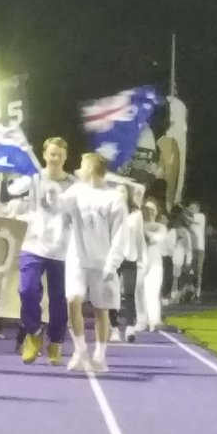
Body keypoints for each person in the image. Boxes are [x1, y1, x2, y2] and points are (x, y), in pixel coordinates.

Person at [7, 136, 76, 364]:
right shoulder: (34, 178)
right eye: (52, 154)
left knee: (59, 300)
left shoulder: (74, 185)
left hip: (62, 250)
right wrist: (22, 171)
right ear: (45, 155)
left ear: (65, 157)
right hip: (33, 245)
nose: (55, 158)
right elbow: (10, 190)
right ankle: (34, 333)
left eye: (59, 155)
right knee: (27, 290)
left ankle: (55, 342)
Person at [61, 152, 126, 373]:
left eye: (82, 164)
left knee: (101, 309)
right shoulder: (75, 191)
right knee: (73, 300)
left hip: (102, 260)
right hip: (77, 257)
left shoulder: (114, 197)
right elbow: (57, 208)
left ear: (90, 168)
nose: (78, 168)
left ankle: (99, 355)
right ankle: (80, 350)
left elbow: (120, 234)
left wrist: (113, 263)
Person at [111, 184, 147, 342]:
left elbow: (140, 237)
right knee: (112, 294)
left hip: (130, 257)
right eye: (118, 191)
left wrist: (143, 258)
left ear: (128, 194)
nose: (120, 194)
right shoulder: (110, 211)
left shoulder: (136, 214)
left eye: (123, 191)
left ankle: (130, 327)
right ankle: (113, 328)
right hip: (114, 257)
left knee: (129, 293)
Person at [139, 202, 167, 331]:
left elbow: (157, 238)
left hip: (155, 263)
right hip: (139, 262)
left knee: (153, 292)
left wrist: (144, 231)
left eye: (153, 209)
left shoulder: (161, 227)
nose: (150, 212)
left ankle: (154, 321)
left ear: (156, 212)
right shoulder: (137, 224)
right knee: (140, 293)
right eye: (147, 209)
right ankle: (141, 320)